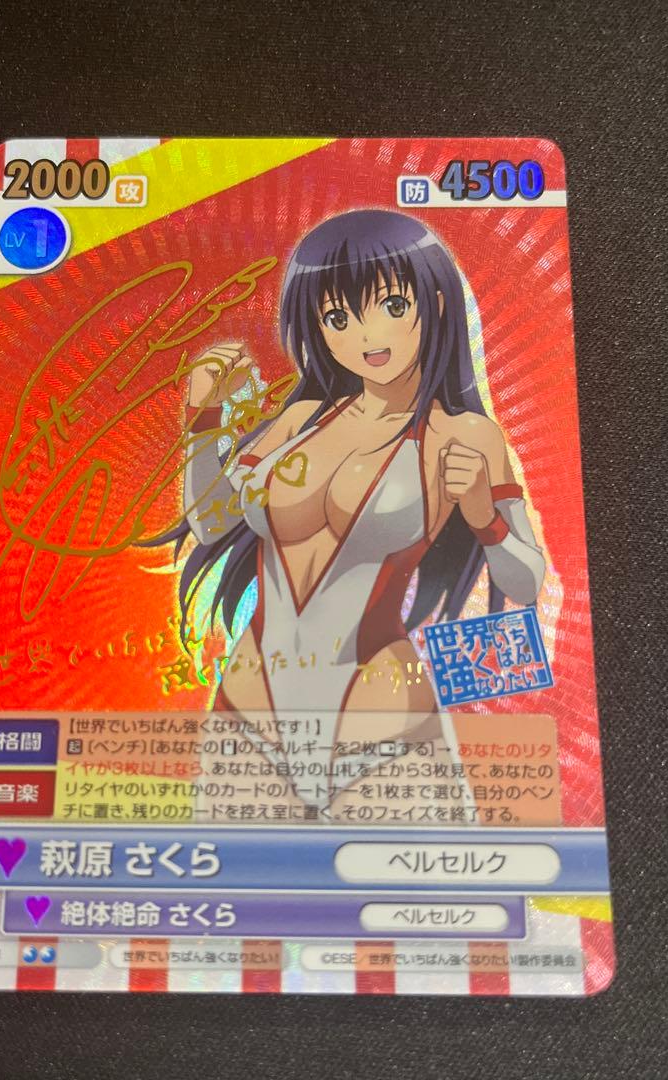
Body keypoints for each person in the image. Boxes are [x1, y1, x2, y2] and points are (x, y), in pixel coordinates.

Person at [163, 209, 545, 814]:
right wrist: (203, 421)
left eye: (391, 306)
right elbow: (214, 522)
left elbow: (525, 581)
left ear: (435, 303)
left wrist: (485, 516)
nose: (368, 337)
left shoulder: (464, 434)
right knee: (239, 876)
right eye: (338, 318)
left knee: (405, 880)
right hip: (250, 716)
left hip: (379, 720)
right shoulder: (300, 420)